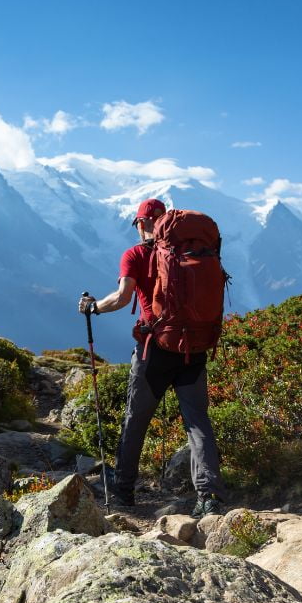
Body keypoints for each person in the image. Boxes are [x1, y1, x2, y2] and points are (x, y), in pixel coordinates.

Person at [78, 198, 227, 513]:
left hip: (154, 351)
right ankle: (210, 497)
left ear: (142, 223)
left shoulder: (135, 254)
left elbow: (122, 297)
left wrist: (93, 307)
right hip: (194, 348)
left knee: (136, 421)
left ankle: (122, 494)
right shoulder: (195, 251)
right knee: (198, 422)